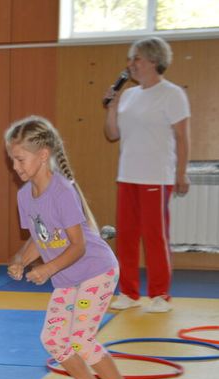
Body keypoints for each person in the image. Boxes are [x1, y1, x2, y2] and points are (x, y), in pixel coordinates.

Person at [6, 115, 137, 379]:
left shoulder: (62, 191)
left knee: (80, 339)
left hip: (96, 271)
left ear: (43, 156)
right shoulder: (24, 195)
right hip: (67, 278)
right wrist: (20, 261)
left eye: (20, 159)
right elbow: (37, 239)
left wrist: (48, 268)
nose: (15, 167)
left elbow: (77, 246)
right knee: (53, 339)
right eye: (12, 160)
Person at [103, 37, 190, 313]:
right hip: (127, 175)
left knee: (155, 237)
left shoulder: (172, 94)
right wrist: (113, 107)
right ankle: (128, 293)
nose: (131, 65)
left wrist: (181, 173)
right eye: (130, 59)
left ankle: (160, 295)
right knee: (126, 236)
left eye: (136, 59)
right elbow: (112, 134)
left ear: (154, 61)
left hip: (156, 176)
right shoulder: (128, 95)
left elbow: (182, 137)